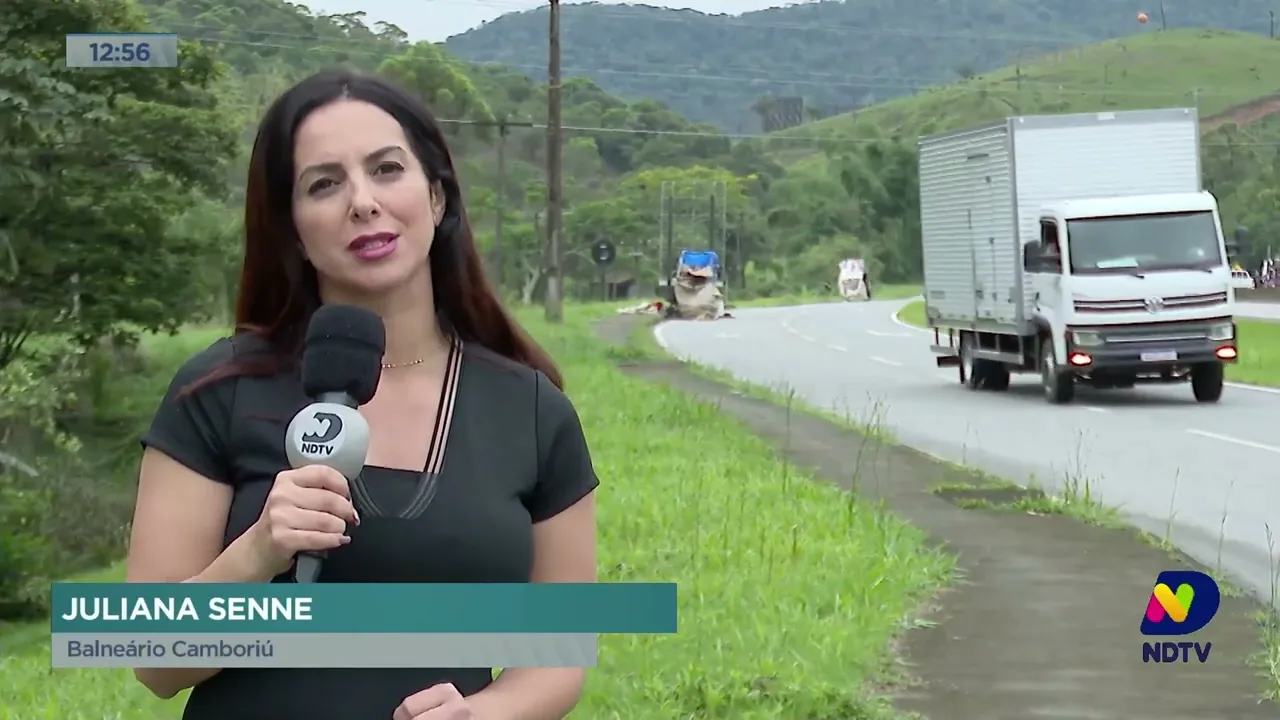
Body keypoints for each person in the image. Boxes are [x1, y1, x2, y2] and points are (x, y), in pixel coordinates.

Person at [124, 69, 599, 720]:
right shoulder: (218, 393)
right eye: (324, 184)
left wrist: (483, 715)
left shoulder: (533, 412)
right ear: (291, 227)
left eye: (386, 170)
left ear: (436, 197)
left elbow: (557, 652)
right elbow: (155, 661)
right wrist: (259, 552)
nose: (363, 203)